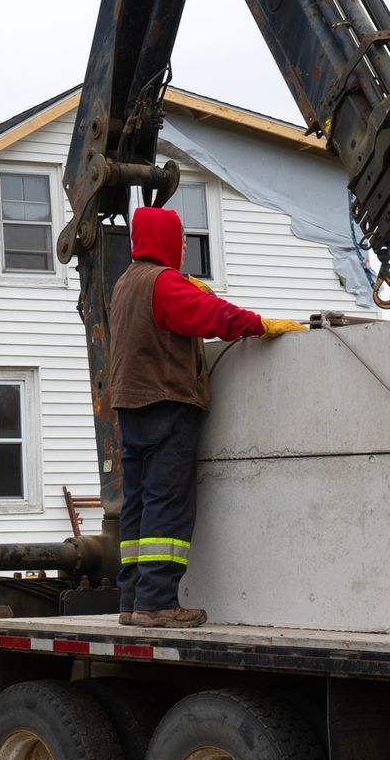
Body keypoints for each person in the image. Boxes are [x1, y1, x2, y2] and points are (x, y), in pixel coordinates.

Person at [108, 205, 307, 628]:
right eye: (179, 239)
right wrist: (261, 325)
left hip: (130, 407)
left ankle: (132, 600)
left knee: (138, 506)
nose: (183, 246)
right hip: (168, 404)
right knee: (167, 505)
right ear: (166, 241)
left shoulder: (126, 282)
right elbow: (214, 317)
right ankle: (158, 604)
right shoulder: (164, 284)